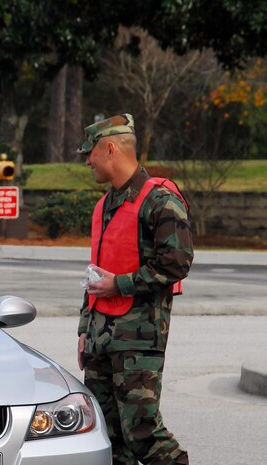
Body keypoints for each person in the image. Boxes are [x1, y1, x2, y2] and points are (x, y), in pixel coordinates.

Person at [76, 114, 193, 465]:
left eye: (90, 153)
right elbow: (96, 274)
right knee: (109, 439)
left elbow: (176, 263)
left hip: (138, 338)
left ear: (110, 148)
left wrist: (120, 284)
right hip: (101, 339)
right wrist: (85, 329)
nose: (87, 161)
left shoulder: (159, 200)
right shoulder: (103, 206)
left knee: (142, 433)